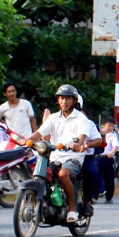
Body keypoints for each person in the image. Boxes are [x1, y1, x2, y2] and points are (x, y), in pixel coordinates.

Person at [21, 84, 93, 223]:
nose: (64, 102)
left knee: (63, 174)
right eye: (61, 98)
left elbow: (82, 136)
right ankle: (45, 202)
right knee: (39, 174)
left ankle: (72, 208)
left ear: (74, 100)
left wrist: (76, 143)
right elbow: (40, 133)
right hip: (54, 156)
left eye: (67, 98)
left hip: (73, 157)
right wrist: (27, 140)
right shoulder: (53, 118)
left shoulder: (81, 119)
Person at [97, 120, 119, 203]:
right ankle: (94, 197)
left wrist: (112, 152)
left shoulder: (113, 136)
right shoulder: (98, 134)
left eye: (112, 126)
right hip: (98, 158)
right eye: (109, 125)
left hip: (107, 158)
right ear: (103, 125)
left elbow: (115, 146)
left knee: (109, 179)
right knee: (96, 177)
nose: (110, 128)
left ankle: (109, 198)